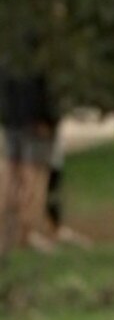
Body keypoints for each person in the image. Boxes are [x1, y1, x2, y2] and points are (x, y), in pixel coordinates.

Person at [1, 66, 60, 255]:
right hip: (35, 124)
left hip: (12, 121)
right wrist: (49, 118)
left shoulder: (9, 53)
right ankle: (27, 233)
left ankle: (9, 232)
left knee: (11, 176)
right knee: (34, 179)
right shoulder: (39, 55)